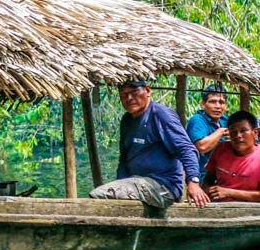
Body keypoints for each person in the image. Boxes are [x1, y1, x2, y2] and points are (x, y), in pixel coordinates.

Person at [89, 79, 210, 208]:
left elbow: (186, 149)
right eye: (124, 94)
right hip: (136, 184)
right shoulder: (127, 120)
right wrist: (120, 183)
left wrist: (193, 182)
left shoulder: (160, 114)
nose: (129, 98)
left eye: (134, 92)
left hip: (162, 187)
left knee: (99, 195)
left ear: (147, 91)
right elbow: (124, 161)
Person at [203, 111, 260, 202]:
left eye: (243, 131)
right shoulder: (221, 149)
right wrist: (207, 191)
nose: (238, 136)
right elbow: (207, 180)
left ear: (255, 132)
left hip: (251, 209)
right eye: (233, 132)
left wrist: (228, 192)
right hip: (219, 206)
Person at [186, 83, 229, 172]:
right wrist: (220, 132)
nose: (217, 106)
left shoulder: (225, 120)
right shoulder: (197, 120)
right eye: (213, 101)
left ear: (226, 106)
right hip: (202, 175)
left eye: (221, 102)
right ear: (203, 104)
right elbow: (202, 147)